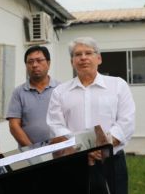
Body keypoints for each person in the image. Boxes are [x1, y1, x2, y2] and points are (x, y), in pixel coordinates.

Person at [46, 37, 135, 194]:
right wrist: (82, 148)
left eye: (88, 53)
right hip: (75, 162)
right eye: (78, 54)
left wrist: (103, 146)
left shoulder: (117, 85)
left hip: (111, 161)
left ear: (98, 58)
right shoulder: (60, 92)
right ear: (72, 61)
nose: (83, 58)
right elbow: (55, 126)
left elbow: (126, 121)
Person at [6, 45, 59, 147]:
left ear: (48, 63)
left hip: (59, 151)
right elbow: (14, 125)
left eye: (39, 60)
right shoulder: (19, 92)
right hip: (29, 154)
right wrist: (32, 149)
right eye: (30, 62)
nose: (34, 65)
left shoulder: (60, 89)